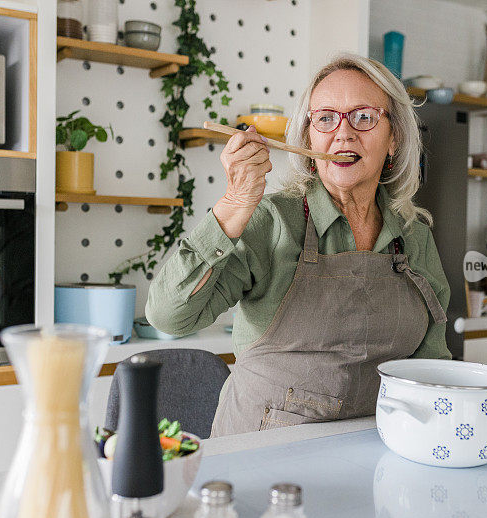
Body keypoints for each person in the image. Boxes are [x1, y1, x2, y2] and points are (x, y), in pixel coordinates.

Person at [147, 53, 452, 437]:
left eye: (364, 116)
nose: (343, 133)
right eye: (325, 118)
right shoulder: (271, 221)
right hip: (260, 455)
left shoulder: (414, 235)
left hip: (374, 451)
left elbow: (431, 363)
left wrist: (459, 405)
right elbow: (168, 317)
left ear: (394, 139)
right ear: (308, 137)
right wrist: (236, 203)